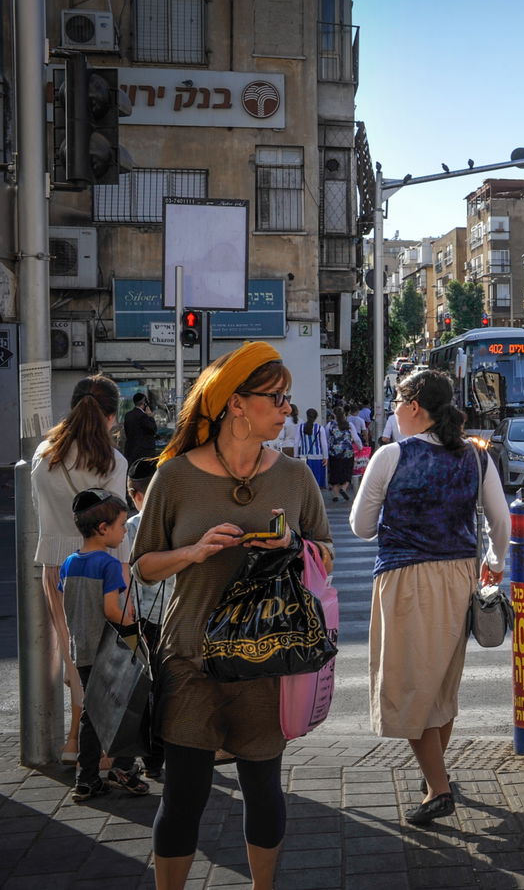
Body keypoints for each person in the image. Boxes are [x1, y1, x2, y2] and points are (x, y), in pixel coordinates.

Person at [132, 341, 333, 889]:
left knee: (264, 786)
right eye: (278, 398)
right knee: (184, 794)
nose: (287, 409)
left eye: (287, 399)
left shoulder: (294, 476)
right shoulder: (173, 477)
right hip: (190, 655)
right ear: (236, 405)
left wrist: (292, 544)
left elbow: (326, 553)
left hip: (268, 656)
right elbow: (144, 566)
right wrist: (194, 551)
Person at [350, 369, 509, 826]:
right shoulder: (477, 459)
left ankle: (438, 788)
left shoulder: (391, 456)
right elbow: (500, 520)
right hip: (459, 576)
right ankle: (434, 775)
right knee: (440, 685)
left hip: (405, 578)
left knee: (408, 686)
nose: (394, 410)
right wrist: (495, 565)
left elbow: (361, 527)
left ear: (414, 406)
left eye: (397, 402)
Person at [32, 375, 130, 765]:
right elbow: (117, 529)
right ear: (111, 416)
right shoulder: (111, 460)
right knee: (102, 659)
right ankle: (99, 748)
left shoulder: (44, 454)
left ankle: (74, 740)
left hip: (56, 566)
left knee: (74, 655)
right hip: (100, 566)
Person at [62, 488, 148, 802]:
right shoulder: (108, 565)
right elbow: (112, 610)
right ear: (103, 529)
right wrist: (131, 622)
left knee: (91, 715)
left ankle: (85, 780)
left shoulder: (70, 562)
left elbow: (69, 601)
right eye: (121, 526)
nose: (124, 531)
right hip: (108, 650)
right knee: (123, 710)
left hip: (81, 649)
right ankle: (123, 770)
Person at [124, 456, 166, 780]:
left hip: (142, 621)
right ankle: (164, 753)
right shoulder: (175, 521)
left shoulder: (130, 528)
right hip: (175, 617)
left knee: (143, 688)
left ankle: (149, 758)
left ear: (133, 493)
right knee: (168, 688)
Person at [324, 407, 362, 503]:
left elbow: (327, 438)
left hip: (334, 453)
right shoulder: (349, 425)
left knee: (334, 473)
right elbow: (356, 438)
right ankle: (344, 489)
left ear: (334, 415)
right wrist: (360, 447)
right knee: (347, 472)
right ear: (344, 415)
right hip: (347, 452)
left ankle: (335, 495)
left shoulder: (330, 425)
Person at [123, 392, 159, 464]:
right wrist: (150, 416)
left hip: (130, 451)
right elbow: (153, 429)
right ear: (144, 403)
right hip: (143, 453)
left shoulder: (128, 415)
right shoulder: (143, 416)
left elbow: (127, 432)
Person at [298, 408, 328, 488]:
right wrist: (325, 457)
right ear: (316, 417)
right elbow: (324, 444)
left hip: (304, 457)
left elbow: (296, 443)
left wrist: (296, 455)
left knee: (305, 479)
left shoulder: (300, 427)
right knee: (316, 479)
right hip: (317, 456)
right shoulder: (319, 428)